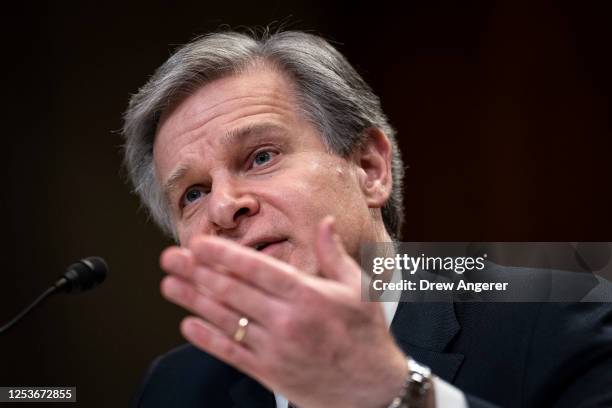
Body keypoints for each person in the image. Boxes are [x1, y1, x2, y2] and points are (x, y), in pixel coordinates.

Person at [123, 29, 612, 407]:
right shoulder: (177, 387)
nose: (225, 206)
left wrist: (394, 393)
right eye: (193, 193)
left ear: (369, 168)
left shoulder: (561, 319)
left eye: (261, 157)